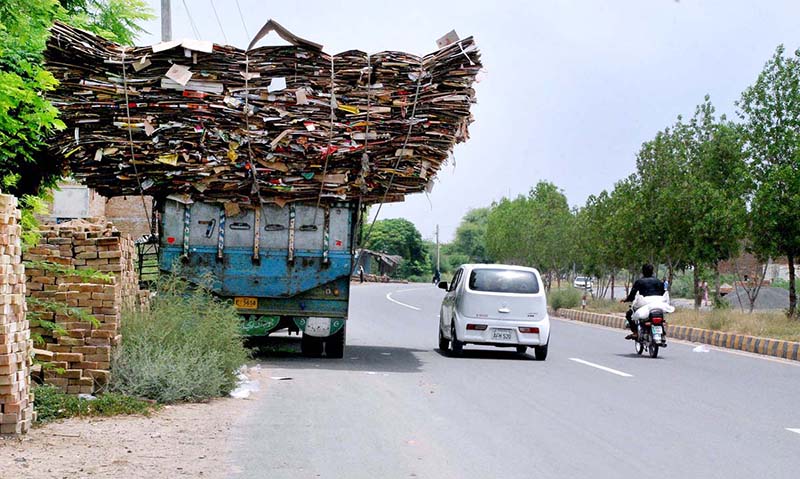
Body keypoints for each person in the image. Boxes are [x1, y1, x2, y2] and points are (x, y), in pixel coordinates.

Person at [620, 263, 665, 340]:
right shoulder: (659, 282)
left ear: (643, 271)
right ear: (652, 271)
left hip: (644, 303)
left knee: (629, 314)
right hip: (657, 303)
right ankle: (662, 333)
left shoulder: (639, 282)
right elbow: (662, 293)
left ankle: (635, 333)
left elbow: (632, 295)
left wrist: (626, 300)